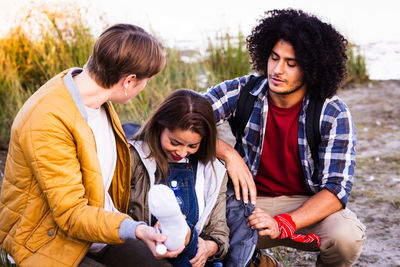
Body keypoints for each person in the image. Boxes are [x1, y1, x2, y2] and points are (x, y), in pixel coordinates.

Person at [0, 23, 182, 267]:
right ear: (129, 81)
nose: (145, 86)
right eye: (146, 80)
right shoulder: (48, 120)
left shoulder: (97, 99)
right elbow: (72, 215)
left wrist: (137, 226)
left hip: (96, 232)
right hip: (45, 241)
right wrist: (137, 229)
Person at [204, 9, 366, 266]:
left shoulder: (334, 113)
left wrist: (285, 223)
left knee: (346, 237)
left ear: (311, 68)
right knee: (200, 232)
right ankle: (260, 262)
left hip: (307, 206)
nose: (278, 70)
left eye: (291, 63)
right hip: (248, 202)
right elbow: (183, 117)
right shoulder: (243, 91)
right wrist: (227, 152)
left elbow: (336, 189)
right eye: (274, 58)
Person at [127, 89, 229, 267]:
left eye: (193, 145)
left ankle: (181, 232)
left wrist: (209, 247)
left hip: (194, 257)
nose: (181, 152)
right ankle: (177, 230)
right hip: (146, 253)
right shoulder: (134, 158)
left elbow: (219, 232)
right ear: (159, 127)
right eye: (174, 142)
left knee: (190, 245)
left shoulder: (213, 171)